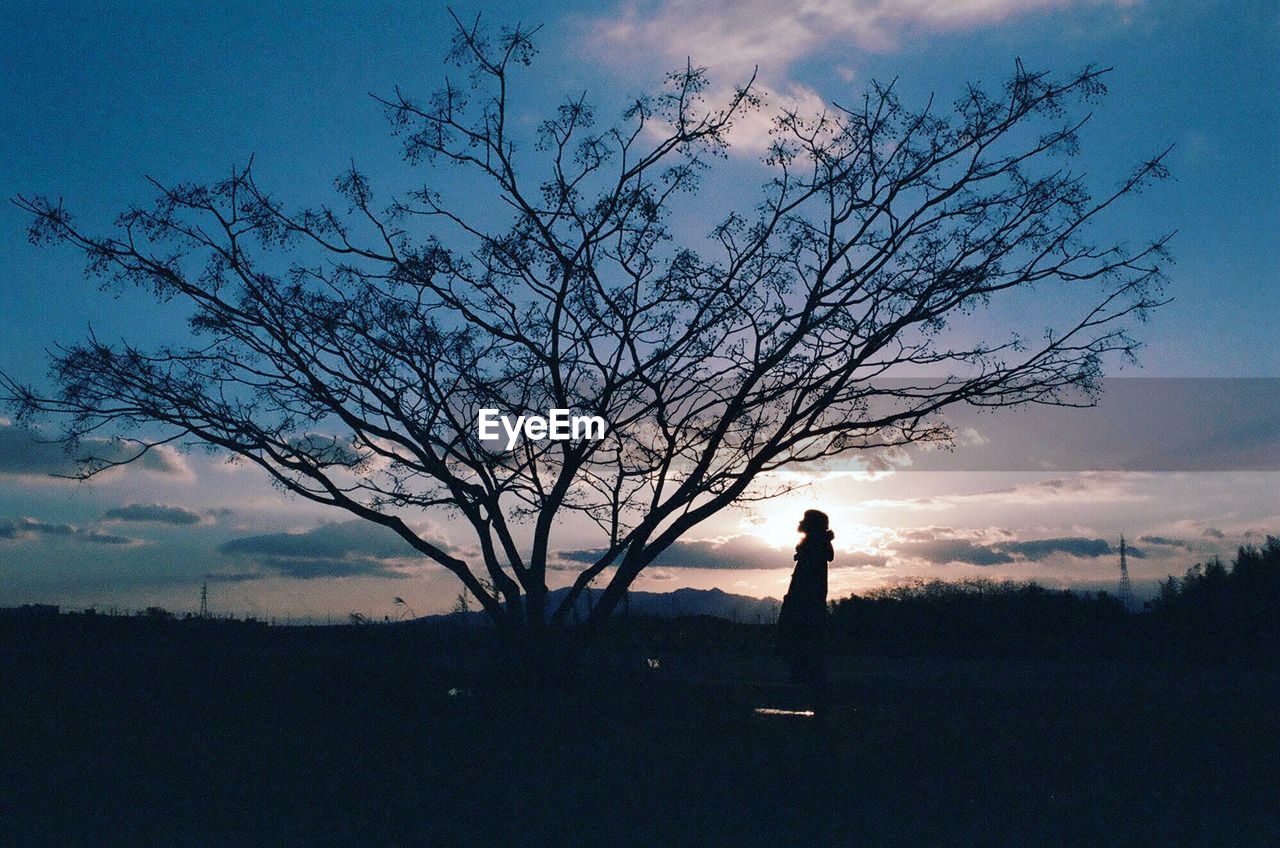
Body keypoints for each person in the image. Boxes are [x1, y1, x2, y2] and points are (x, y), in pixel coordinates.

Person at [777, 509, 833, 689]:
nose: (800, 522)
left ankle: (803, 675)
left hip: (805, 598)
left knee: (800, 634)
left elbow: (808, 574)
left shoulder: (814, 544)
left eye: (805, 520)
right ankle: (805, 674)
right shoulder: (817, 543)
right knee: (804, 636)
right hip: (807, 597)